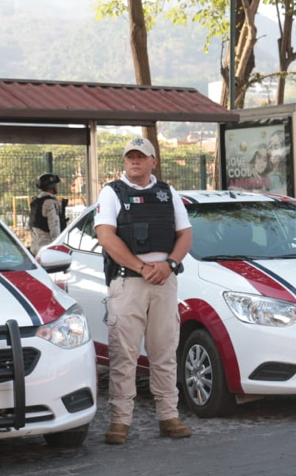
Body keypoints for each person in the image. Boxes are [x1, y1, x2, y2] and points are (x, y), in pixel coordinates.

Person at [95, 137, 194, 445]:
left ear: (154, 161)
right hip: (128, 282)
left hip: (164, 282)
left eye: (141, 156)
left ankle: (168, 417)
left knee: (164, 351)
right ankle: (120, 421)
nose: (134, 161)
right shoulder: (112, 192)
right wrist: (141, 267)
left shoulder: (168, 192)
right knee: (123, 354)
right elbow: (106, 237)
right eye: (130, 157)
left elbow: (185, 234)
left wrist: (170, 264)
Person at [29, 173, 66, 254]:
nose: (57, 187)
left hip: (35, 246)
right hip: (47, 247)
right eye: (55, 185)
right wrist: (57, 245)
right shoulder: (50, 202)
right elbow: (54, 225)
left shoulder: (35, 201)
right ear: (51, 187)